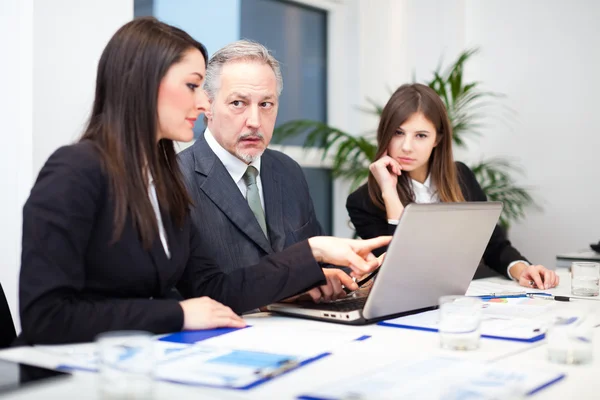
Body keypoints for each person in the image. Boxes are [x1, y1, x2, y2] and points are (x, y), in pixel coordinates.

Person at [18, 17, 390, 345]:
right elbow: (45, 317)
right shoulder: (75, 169)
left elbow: (213, 289)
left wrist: (314, 251)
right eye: (193, 86)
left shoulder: (159, 178)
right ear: (144, 85)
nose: (201, 104)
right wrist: (179, 314)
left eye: (266, 104)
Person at [178, 40, 350, 303]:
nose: (255, 121)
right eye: (238, 103)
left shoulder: (288, 171)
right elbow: (191, 292)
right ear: (207, 107)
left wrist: (333, 277)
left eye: (266, 104)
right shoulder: (175, 178)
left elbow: (318, 261)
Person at [346, 83, 558, 290]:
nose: (407, 147)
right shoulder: (363, 201)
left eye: (421, 135)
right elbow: (402, 269)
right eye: (398, 133)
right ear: (385, 133)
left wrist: (522, 269)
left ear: (437, 138)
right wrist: (389, 192)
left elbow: (493, 244)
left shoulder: (461, 177)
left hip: (467, 296)